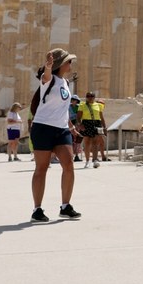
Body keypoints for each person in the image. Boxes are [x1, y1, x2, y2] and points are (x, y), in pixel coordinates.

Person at [29, 48, 81, 222]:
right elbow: (46, 76)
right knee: (41, 168)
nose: (71, 64)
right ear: (61, 64)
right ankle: (37, 209)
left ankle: (65, 206)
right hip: (43, 127)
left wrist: (71, 127)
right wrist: (48, 67)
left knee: (69, 164)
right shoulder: (48, 79)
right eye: (68, 61)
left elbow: (63, 109)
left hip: (61, 128)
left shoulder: (66, 83)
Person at [78, 92, 106, 168]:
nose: (90, 97)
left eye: (92, 96)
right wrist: (80, 125)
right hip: (86, 123)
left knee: (95, 143)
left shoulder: (99, 105)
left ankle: (95, 160)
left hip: (97, 123)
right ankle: (87, 161)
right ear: (86, 97)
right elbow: (78, 117)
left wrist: (104, 127)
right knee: (87, 143)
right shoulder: (82, 105)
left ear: (94, 97)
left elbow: (101, 117)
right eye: (88, 96)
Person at [68, 95, 84, 162]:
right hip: (70, 124)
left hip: (77, 124)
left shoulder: (79, 107)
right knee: (71, 140)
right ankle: (70, 155)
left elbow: (79, 116)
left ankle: (76, 155)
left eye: (75, 100)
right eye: (72, 99)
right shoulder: (68, 107)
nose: (73, 101)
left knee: (77, 140)